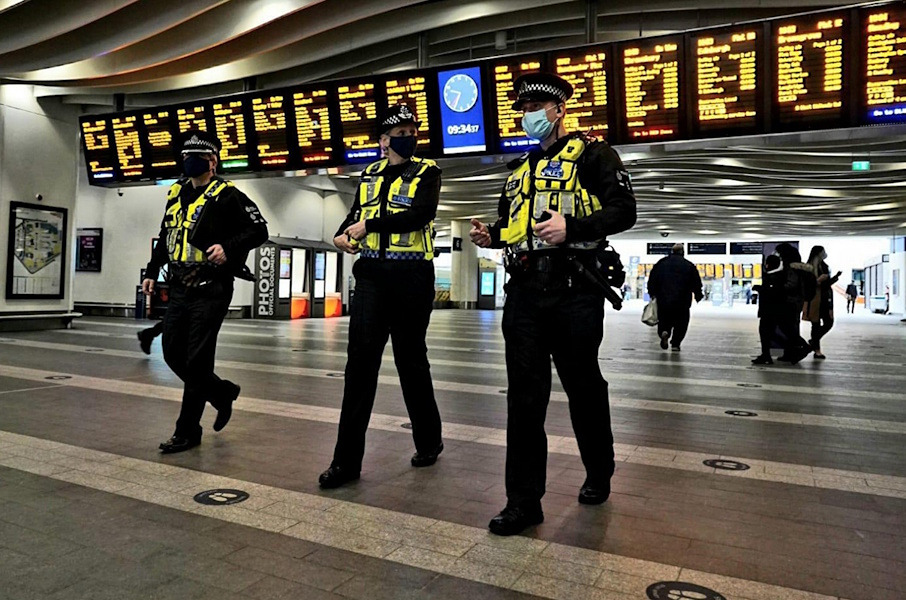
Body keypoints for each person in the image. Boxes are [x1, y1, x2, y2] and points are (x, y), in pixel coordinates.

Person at [469, 73, 636, 536]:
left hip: (574, 291)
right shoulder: (519, 171)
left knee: (582, 386)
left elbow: (624, 210)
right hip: (524, 294)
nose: (527, 116)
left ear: (559, 109)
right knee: (524, 397)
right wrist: (491, 236)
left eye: (535, 107)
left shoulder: (594, 155)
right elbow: (513, 227)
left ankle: (599, 470)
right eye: (522, 109)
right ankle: (522, 502)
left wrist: (573, 227)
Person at [319, 104, 444, 489]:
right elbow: (355, 214)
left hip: (411, 278)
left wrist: (367, 226)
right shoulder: (370, 174)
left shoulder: (427, 172)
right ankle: (345, 463)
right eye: (401, 132)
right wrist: (341, 235)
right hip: (372, 278)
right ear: (384, 140)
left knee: (411, 362)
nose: (410, 137)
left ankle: (429, 440)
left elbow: (420, 214)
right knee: (359, 367)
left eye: (413, 131)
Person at [142, 129, 268, 454]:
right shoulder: (176, 193)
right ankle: (222, 392)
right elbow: (166, 235)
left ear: (212, 161)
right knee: (172, 353)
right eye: (185, 156)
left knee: (197, 361)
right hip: (179, 286)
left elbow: (258, 230)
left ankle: (187, 431)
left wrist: (228, 247)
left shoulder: (228, 195)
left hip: (212, 287)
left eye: (196, 157)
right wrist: (152, 271)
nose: (189, 162)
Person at [647, 244, 703, 352]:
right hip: (682, 300)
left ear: (672, 251)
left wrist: (652, 293)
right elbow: (696, 282)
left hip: (663, 299)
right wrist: (698, 294)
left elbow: (652, 279)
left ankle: (664, 332)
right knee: (681, 323)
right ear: (683, 252)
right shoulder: (688, 265)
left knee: (664, 319)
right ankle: (676, 344)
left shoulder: (661, 263)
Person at [773, 243, 814, 364]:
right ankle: (790, 353)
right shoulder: (799, 268)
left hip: (789, 302)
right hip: (797, 302)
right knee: (792, 327)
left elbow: (791, 284)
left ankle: (805, 347)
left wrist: (777, 287)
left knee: (786, 327)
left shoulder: (790, 268)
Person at [802, 245, 840, 359]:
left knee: (829, 322)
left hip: (824, 298)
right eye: (823, 252)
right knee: (816, 324)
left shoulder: (824, 266)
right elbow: (807, 285)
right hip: (813, 299)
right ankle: (817, 350)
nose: (825, 254)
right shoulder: (808, 268)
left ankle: (814, 341)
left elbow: (826, 284)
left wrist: (835, 277)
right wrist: (818, 280)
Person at [751, 254, 784, 365]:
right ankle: (765, 355)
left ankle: (766, 355)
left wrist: (759, 289)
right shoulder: (779, 276)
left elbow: (771, 293)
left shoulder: (772, 278)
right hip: (773, 310)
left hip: (769, 311)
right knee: (769, 333)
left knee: (765, 333)